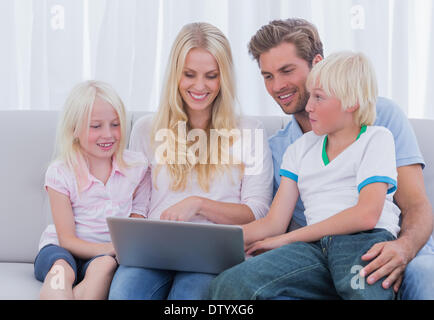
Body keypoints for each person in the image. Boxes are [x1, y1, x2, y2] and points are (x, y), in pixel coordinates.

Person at [212, 18, 434, 299]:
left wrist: (404, 247)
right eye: (267, 76)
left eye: (287, 70)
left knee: (422, 277)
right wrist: (209, 242)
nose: (277, 86)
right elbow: (272, 222)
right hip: (315, 251)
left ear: (317, 63)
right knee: (230, 284)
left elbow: (412, 205)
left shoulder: (380, 123)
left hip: (385, 244)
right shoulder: (285, 148)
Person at [108, 22, 273, 300]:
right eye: (189, 74)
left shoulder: (250, 131)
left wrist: (198, 205)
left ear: (224, 78)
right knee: (125, 293)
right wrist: (131, 240)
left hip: (212, 255)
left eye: (211, 76)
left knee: (189, 298)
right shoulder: (146, 130)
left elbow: (257, 211)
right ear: (175, 75)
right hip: (154, 251)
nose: (199, 86)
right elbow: (139, 204)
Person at [34, 80, 151, 299]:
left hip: (104, 257)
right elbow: (66, 239)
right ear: (74, 130)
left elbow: (137, 220)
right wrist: (109, 247)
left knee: (105, 267)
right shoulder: (60, 172)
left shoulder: (137, 167)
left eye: (115, 124)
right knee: (60, 270)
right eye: (96, 126)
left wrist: (116, 250)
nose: (108, 134)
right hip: (61, 250)